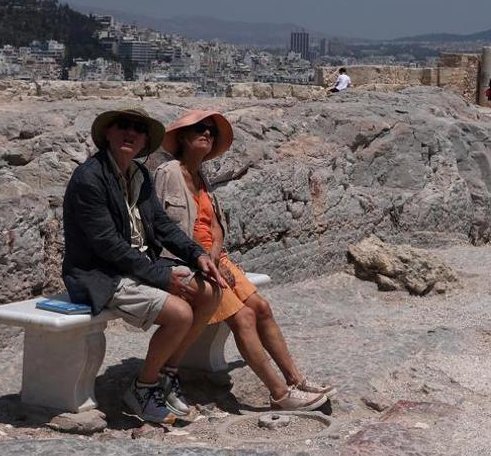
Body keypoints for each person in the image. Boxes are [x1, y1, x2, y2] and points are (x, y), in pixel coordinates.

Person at [155, 110, 334, 412]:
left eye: (211, 130)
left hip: (215, 259)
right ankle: (279, 393)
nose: (208, 133)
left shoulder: (202, 176)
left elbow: (215, 227)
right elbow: (160, 227)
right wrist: (203, 258)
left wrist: (216, 253)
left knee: (262, 307)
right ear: (183, 136)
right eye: (200, 128)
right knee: (244, 317)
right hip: (188, 264)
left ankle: (295, 379)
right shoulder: (169, 173)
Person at [61, 108, 227, 425]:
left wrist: (197, 256)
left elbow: (163, 226)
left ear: (144, 142)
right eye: (123, 126)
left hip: (138, 266)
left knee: (209, 292)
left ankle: (166, 373)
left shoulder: (138, 176)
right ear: (108, 134)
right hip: (100, 275)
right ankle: (143, 387)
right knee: (180, 314)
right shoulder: (90, 180)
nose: (131, 133)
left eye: (138, 129)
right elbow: (108, 247)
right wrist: (162, 277)